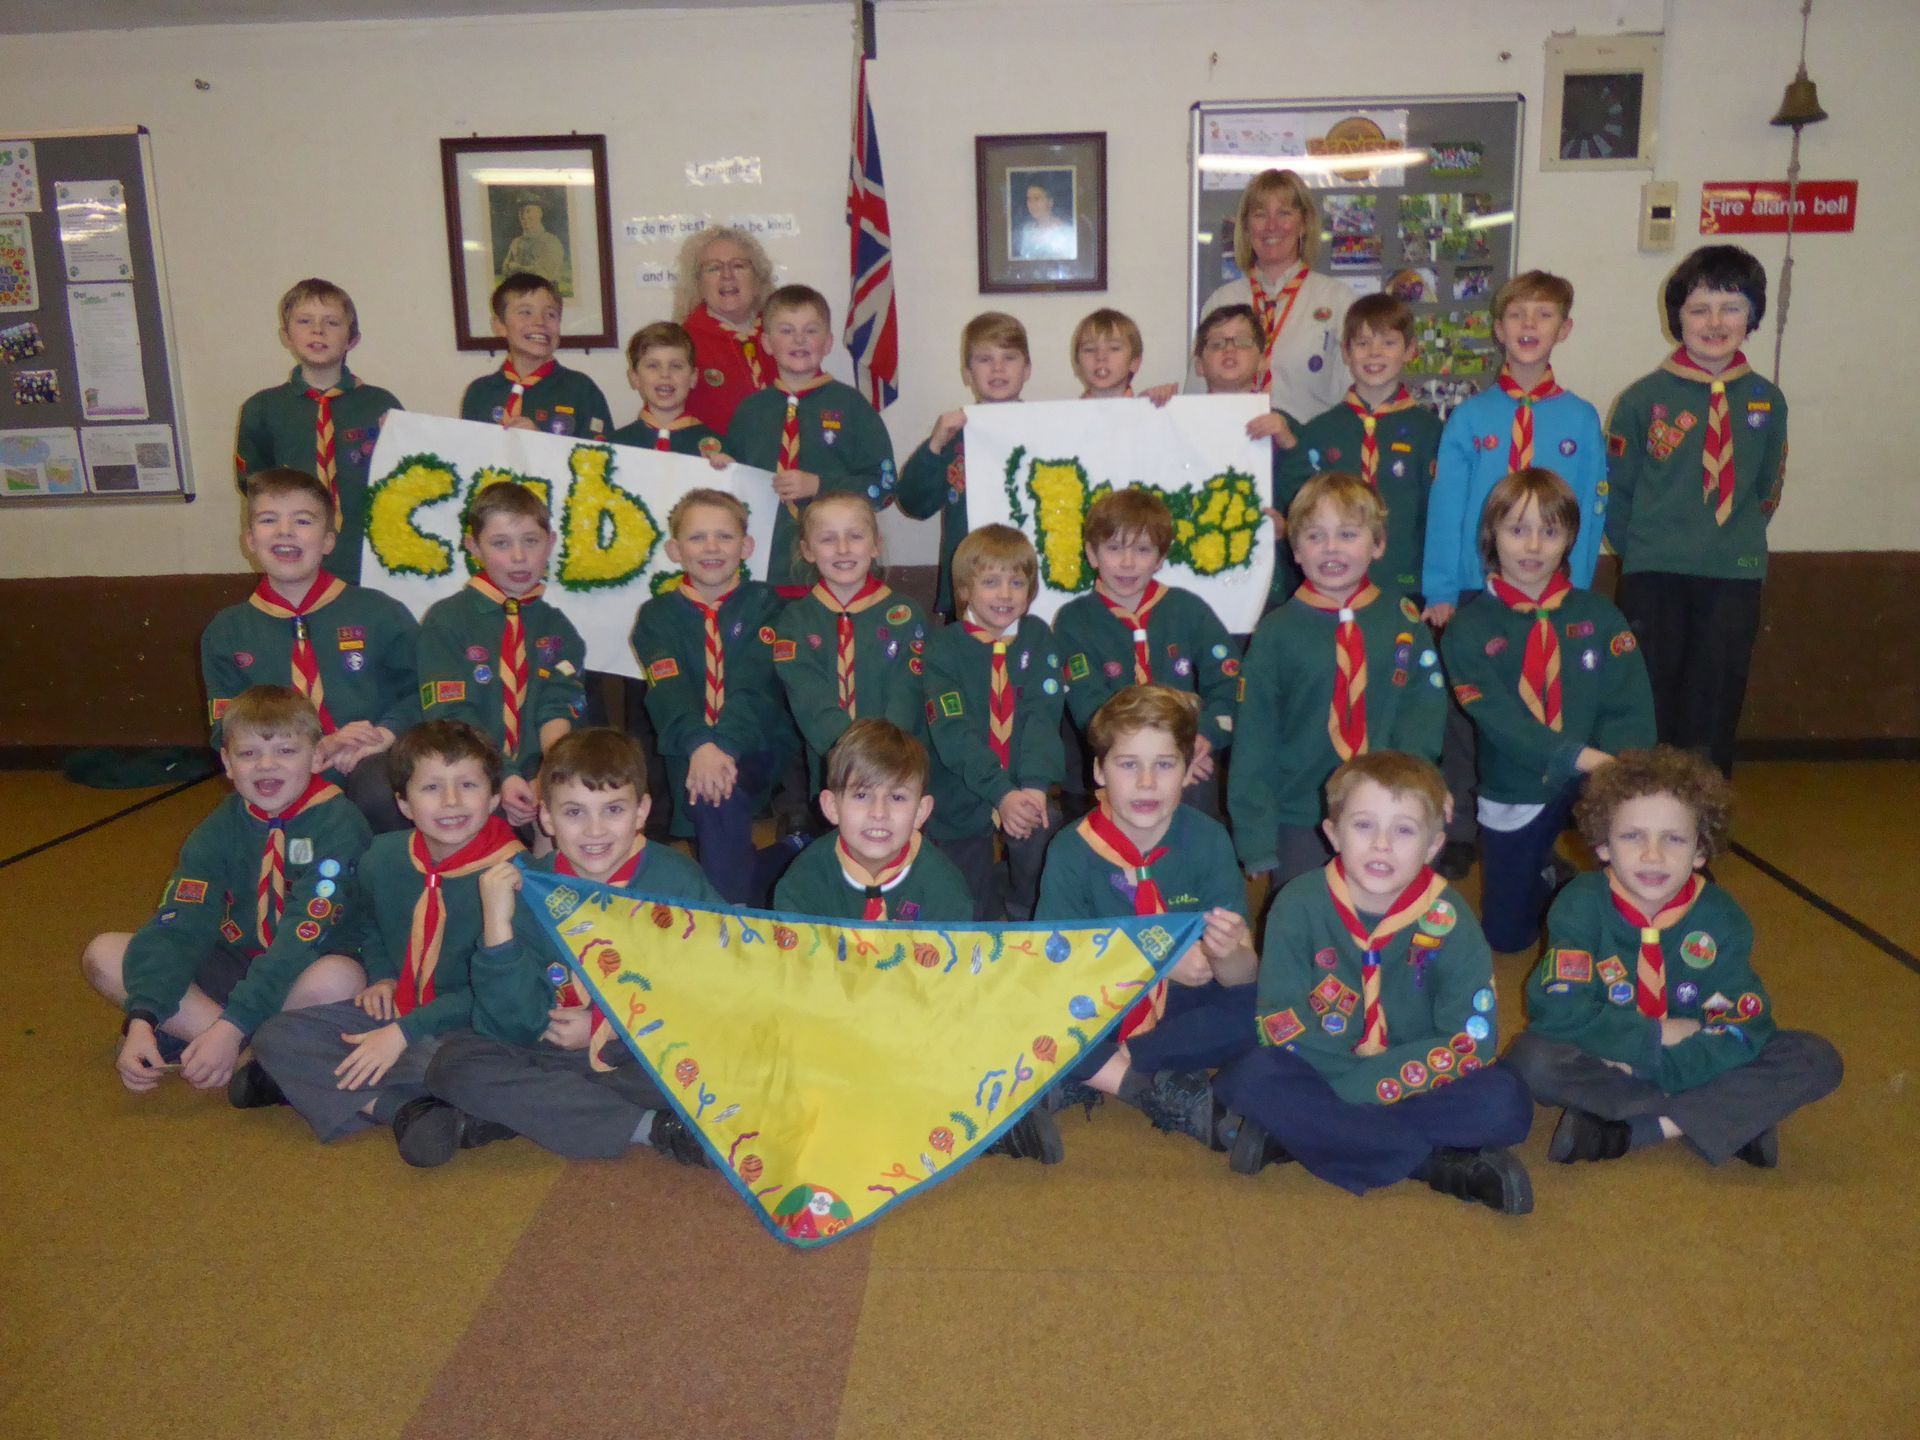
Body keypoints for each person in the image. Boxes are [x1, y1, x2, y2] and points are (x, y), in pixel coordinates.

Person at [1217, 752, 1536, 1214]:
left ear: (1432, 845)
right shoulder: (1297, 904)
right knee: (1253, 1075)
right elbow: (1279, 1021)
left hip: (1412, 1076)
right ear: (1333, 833)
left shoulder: (1451, 919)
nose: (1382, 845)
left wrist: (1363, 1086)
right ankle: (1432, 1164)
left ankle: (1302, 1138)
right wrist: (1351, 1079)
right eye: (1364, 825)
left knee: (1506, 1102)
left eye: (1404, 830)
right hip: (1322, 1065)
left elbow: (1471, 1040)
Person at [1507, 746, 1842, 1167]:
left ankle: (1641, 1130)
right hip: (1618, 1043)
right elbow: (1557, 1008)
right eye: (1632, 836)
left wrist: (1658, 1066)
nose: (1653, 855)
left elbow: (1741, 1019)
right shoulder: (1580, 904)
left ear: (1700, 850)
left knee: (1815, 1058)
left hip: (1674, 1054)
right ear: (1603, 845)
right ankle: (1726, 1116)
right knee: (1533, 1060)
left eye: (1674, 838)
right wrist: (1653, 1038)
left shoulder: (1721, 918)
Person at [407, 729, 721, 1168]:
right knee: (454, 1065)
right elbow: (510, 1027)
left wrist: (607, 1027)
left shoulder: (677, 881)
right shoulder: (526, 885)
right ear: (547, 819)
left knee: (716, 1063)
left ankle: (528, 1113)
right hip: (549, 1047)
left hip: (640, 1048)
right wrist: (497, 926)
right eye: (574, 812)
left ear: (641, 811)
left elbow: (713, 985)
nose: (594, 831)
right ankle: (653, 1128)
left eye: (613, 810)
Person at [82, 686, 369, 1097]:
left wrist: (232, 1025)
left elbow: (301, 938)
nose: (266, 766)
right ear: (228, 763)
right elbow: (179, 924)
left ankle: (223, 1041)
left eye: (286, 751)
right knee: (104, 954)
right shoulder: (219, 828)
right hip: (233, 962)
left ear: (316, 756)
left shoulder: (339, 825)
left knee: (338, 979)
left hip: (304, 966)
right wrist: (142, 1018)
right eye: (248, 753)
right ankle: (254, 1054)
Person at [1420, 270, 1606, 877]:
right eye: (1518, 315)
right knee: (1466, 713)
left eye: (1544, 315)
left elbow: (1590, 510)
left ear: (1565, 329)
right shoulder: (1471, 418)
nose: (1530, 325)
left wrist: (1574, 591)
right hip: (1477, 590)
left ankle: (1539, 832)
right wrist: (1442, 589)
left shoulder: (1580, 418)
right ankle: (1460, 829)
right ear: (1497, 329)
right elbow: (1447, 506)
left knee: (1537, 710)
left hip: (1548, 593)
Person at [1441, 468, 1655, 951]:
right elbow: (1500, 721)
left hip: (1600, 774)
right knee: (1506, 937)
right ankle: (1548, 874)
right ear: (1492, 535)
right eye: (1518, 530)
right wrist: (1577, 757)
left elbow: (1627, 704)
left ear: (1570, 539)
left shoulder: (1599, 616)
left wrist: (1628, 772)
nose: (1533, 546)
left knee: (1631, 894)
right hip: (1516, 780)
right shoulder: (1468, 629)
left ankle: (1600, 900)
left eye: (1550, 531)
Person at [1036, 686, 1257, 1148]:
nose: (1147, 782)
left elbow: (1240, 977)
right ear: (1099, 770)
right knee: (1025, 1002)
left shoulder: (1209, 840)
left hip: (1177, 1009)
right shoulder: (1071, 850)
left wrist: (1227, 954)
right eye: (1128, 764)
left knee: (1267, 1008)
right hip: (1096, 1002)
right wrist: (1157, 961)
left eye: (1165, 765)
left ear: (1188, 770)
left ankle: (1093, 1067)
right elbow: (1054, 964)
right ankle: (1142, 1085)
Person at [1605, 246, 1787, 778]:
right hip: (1654, 574)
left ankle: (1701, 821)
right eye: (1699, 309)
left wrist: (1730, 542)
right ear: (1677, 318)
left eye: (1731, 307)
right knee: (1649, 704)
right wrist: (1646, 550)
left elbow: (1767, 487)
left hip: (1733, 575)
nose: (1715, 322)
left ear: (1752, 317)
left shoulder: (1766, 400)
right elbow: (1617, 491)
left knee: (1715, 708)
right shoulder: (1642, 400)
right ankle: (1642, 813)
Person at [1229, 473, 1446, 889]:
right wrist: (1255, 835)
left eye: (1347, 534)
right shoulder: (1275, 633)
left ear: (1378, 544)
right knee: (1306, 915)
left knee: (1386, 913)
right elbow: (1255, 738)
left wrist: (1424, 789)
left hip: (1390, 811)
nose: (1331, 548)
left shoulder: (1403, 622)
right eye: (1315, 536)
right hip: (1302, 816)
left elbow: (1423, 717)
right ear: (1296, 550)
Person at [202, 468, 418, 832]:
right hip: (280, 772)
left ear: (328, 540)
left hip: (368, 764)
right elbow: (226, 729)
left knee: (382, 792)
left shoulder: (381, 613)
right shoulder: (226, 632)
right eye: (268, 520)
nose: (285, 531)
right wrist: (310, 749)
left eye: (303, 521)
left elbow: (421, 692)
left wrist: (385, 734)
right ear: (250, 540)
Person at [630, 490, 799, 904]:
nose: (711, 548)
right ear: (675, 550)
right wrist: (700, 746)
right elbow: (668, 693)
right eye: (697, 537)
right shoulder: (655, 616)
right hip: (688, 753)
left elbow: (756, 686)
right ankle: (785, 856)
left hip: (758, 747)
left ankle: (729, 914)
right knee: (715, 812)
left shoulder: (768, 607)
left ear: (746, 546)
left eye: (724, 537)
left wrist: (719, 748)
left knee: (714, 796)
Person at [1051, 489, 1240, 815]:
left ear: (1161, 557)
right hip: (1115, 761)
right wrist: (1155, 757)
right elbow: (1088, 705)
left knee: (1196, 787)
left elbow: (1229, 683)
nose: (1127, 562)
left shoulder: (1188, 610)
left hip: (1188, 754)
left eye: (1142, 549)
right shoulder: (1073, 621)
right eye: (1114, 548)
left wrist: (1201, 739)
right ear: (1092, 554)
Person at [417, 480, 587, 831]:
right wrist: (504, 774)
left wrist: (548, 775)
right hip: (468, 772)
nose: (519, 557)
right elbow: (451, 715)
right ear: (473, 547)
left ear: (551, 542)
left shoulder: (559, 628)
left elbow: (557, 706)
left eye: (531, 541)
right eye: (501, 543)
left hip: (538, 776)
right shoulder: (447, 620)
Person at [920, 524, 1065, 922]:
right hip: (960, 791)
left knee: (1042, 844)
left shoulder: (1037, 638)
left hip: (1024, 784)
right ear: (965, 590)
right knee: (968, 910)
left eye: (1016, 582)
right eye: (990, 582)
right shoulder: (943, 648)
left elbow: (1042, 716)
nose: (1005, 594)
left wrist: (1033, 787)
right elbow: (954, 734)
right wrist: (999, 792)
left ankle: (1024, 913)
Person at [724, 284, 896, 590]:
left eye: (811, 330)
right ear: (766, 343)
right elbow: (729, 492)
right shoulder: (750, 412)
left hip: (838, 569)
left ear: (828, 342)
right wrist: (721, 468)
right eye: (786, 330)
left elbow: (884, 487)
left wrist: (820, 485)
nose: (799, 340)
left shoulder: (852, 406)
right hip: (764, 568)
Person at [234, 278, 401, 584]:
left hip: (370, 557)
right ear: (286, 336)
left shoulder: (380, 404)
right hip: (295, 558)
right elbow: (255, 487)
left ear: (352, 339)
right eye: (305, 321)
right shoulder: (262, 408)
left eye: (332, 322)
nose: (318, 331)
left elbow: (404, 482)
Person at [1275, 293, 1441, 601]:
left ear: (1410, 351)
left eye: (1388, 343)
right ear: (1346, 353)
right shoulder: (1320, 431)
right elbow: (1300, 510)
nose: (1374, 353)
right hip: (1331, 585)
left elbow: (1441, 517)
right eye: (1362, 343)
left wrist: (1440, 589)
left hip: (1406, 585)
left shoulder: (1431, 432)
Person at [774, 493, 930, 786]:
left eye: (855, 536)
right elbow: (809, 697)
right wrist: (848, 754)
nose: (843, 549)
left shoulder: (907, 614)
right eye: (828, 539)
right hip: (833, 768)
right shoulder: (795, 621)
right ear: (807, 550)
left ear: (875, 545)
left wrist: (883, 754)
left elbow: (908, 691)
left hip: (898, 765)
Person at [773, 718, 977, 923]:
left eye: (897, 797)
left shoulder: (945, 891)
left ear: (920, 812)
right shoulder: (803, 882)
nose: (879, 813)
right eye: (861, 795)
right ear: (832, 807)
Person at [896, 311, 1031, 619]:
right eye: (984, 359)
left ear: (1027, 370)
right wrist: (934, 445)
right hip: (967, 589)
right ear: (967, 373)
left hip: (1031, 588)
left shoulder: (1049, 430)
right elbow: (913, 504)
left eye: (1009, 358)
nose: (997, 368)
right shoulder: (954, 437)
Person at [1191, 168, 1352, 420]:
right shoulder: (1221, 301)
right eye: (1260, 214)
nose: (1271, 226)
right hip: (1233, 441)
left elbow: (1353, 398)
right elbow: (1197, 397)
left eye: (1284, 213)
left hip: (1309, 442)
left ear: (1304, 224)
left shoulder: (1338, 300)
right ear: (1246, 227)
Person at [1191, 302, 1300, 604]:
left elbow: (1310, 497)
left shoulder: (1283, 426)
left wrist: (1287, 528)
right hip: (1195, 573)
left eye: (1241, 341)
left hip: (1270, 580)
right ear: (1199, 364)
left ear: (1264, 360)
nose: (1229, 349)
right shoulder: (1177, 419)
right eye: (1216, 344)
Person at [459, 272, 611, 440]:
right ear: (500, 326)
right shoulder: (480, 393)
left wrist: (541, 444)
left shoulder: (582, 390)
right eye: (525, 312)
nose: (540, 322)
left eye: (550, 314)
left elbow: (602, 454)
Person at [673, 225, 778, 435]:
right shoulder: (680, 344)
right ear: (697, 283)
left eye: (738, 266)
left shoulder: (784, 334)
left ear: (758, 278)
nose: (727, 275)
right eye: (713, 268)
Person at [608, 320, 727, 458]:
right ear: (635, 378)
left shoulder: (718, 451)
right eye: (653, 365)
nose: (665, 374)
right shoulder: (612, 448)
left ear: (693, 378)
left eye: (676, 366)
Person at [1071, 308, 1175, 402]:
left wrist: (1159, 403)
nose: (1100, 357)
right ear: (1077, 364)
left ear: (1134, 362)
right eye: (1090, 349)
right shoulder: (1067, 414)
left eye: (1114, 348)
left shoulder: (1149, 408)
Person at [501, 192, 566, 286]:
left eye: (528, 211)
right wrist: (527, 269)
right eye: (521, 212)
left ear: (540, 213)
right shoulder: (516, 242)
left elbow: (543, 275)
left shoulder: (551, 241)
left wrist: (517, 268)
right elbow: (505, 271)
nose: (524, 216)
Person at [1014, 179, 1075, 260]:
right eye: (1029, 199)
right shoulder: (1027, 230)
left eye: (1036, 199)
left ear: (1050, 202)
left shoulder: (1068, 232)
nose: (1032, 204)